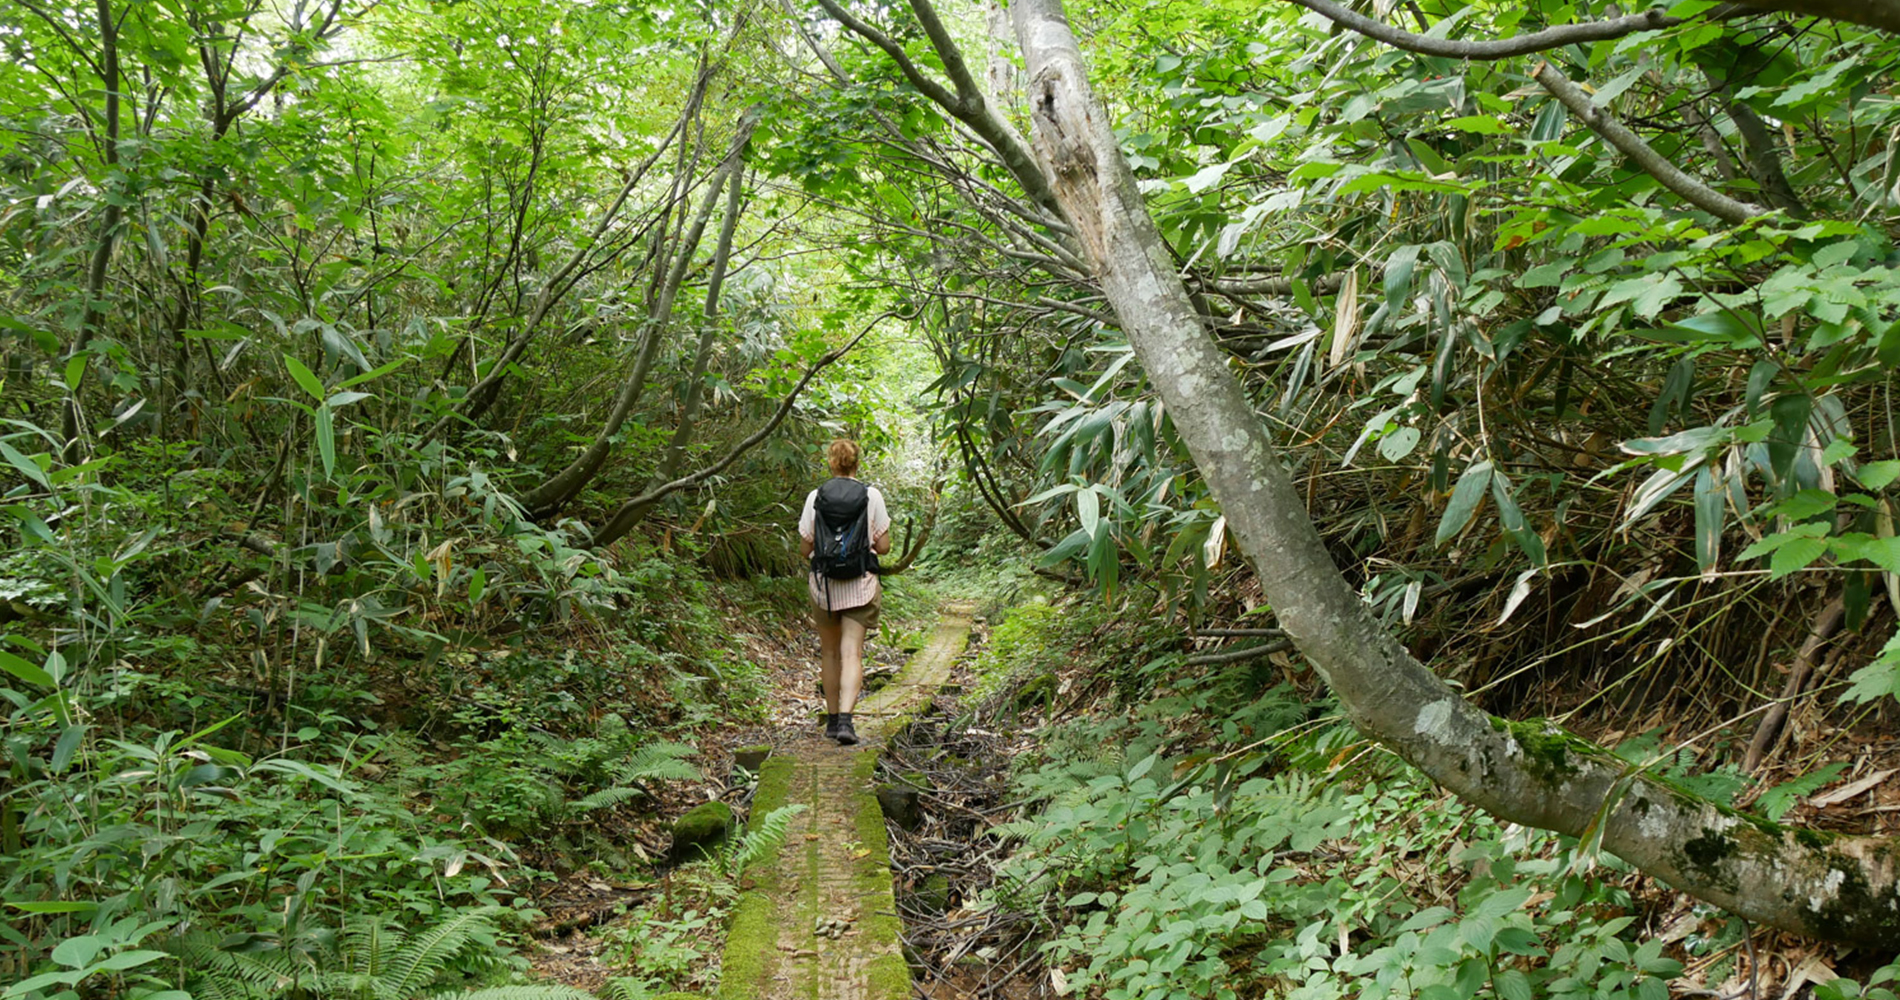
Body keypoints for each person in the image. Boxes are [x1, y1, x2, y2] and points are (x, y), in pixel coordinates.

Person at [798, 438, 891, 746]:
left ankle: (832, 719)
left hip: (824, 586)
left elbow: (805, 547)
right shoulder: (871, 495)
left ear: (831, 462)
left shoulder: (816, 496)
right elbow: (884, 547)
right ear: (856, 463)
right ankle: (847, 725)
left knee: (829, 652)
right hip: (860, 584)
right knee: (852, 652)